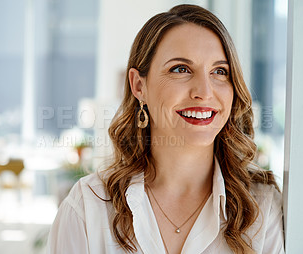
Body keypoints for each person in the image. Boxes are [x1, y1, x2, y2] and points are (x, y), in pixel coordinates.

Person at [47, 4, 285, 254]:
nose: (204, 92)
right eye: (180, 69)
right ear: (139, 86)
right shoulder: (88, 208)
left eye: (219, 71)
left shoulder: (262, 207)